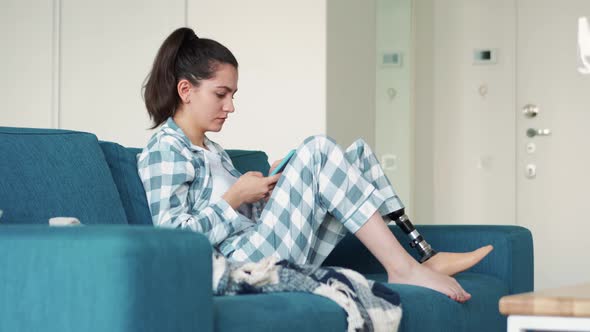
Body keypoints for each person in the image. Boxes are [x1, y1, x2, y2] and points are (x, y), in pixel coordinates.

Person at [137, 27, 493, 303]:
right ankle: (402, 268)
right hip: (237, 268)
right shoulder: (165, 150)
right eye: (221, 94)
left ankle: (423, 255)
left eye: (232, 95)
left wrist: (272, 187)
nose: (230, 106)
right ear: (186, 90)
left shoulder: (212, 150)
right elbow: (172, 240)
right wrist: (234, 197)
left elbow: (245, 216)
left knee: (357, 157)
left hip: (258, 243)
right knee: (318, 149)